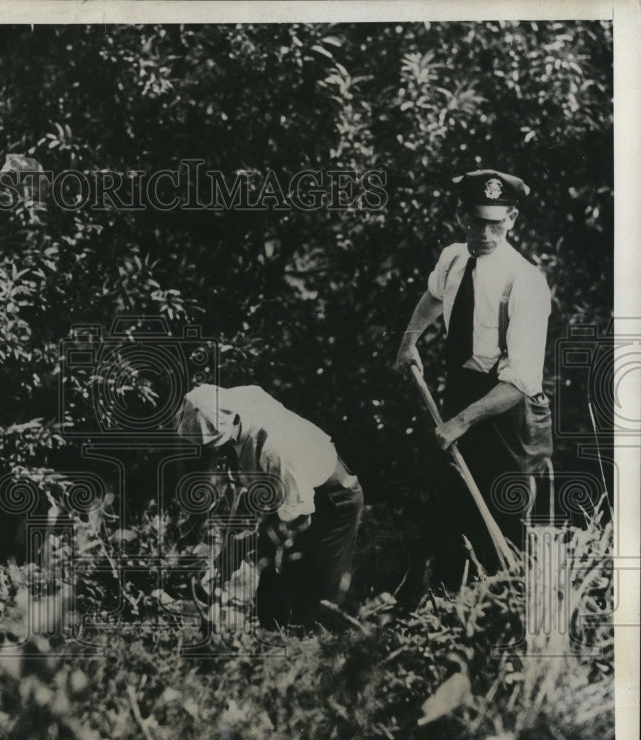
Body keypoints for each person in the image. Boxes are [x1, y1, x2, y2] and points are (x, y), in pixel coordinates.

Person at [394, 169, 553, 586]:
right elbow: (433, 295)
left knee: (506, 519)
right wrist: (409, 340)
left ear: (512, 218)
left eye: (495, 223)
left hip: (509, 413)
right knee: (452, 511)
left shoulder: (526, 282)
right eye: (477, 221)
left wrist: (460, 423)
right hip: (462, 393)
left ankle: (511, 614)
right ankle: (451, 618)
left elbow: (519, 381)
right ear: (461, 215)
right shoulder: (453, 257)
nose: (485, 233)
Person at [175, 383, 364, 630]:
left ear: (235, 421)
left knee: (312, 596)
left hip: (331, 502)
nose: (218, 453)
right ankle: (270, 642)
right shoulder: (234, 401)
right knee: (271, 588)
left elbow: (298, 518)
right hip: (290, 493)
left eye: (219, 444)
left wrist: (243, 547)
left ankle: (318, 653)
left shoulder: (278, 451)